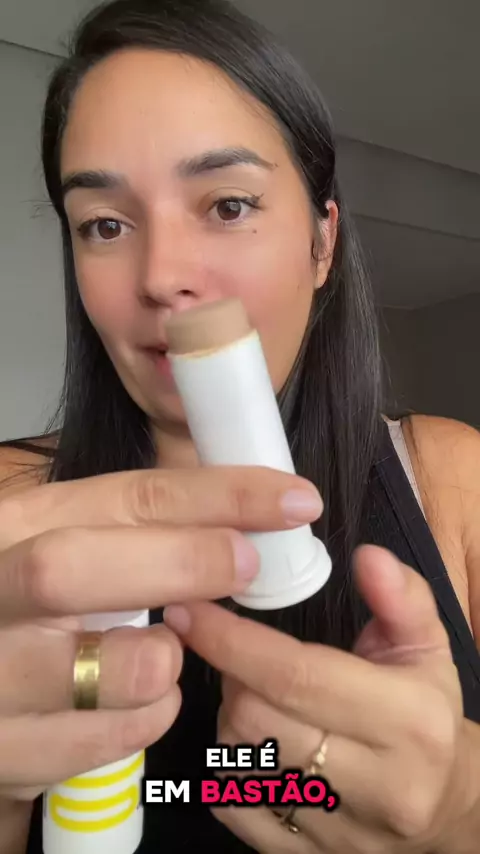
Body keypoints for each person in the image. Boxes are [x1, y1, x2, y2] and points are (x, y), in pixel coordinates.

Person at [0, 0, 479, 851]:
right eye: (105, 224)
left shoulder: (453, 477)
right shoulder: (11, 510)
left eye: (227, 205)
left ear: (322, 244)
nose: (162, 276)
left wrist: (464, 817)